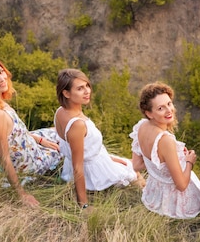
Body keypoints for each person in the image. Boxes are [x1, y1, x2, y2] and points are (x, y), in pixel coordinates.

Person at [0, 56, 62, 207]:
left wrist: (40, 140)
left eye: (1, 72)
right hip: (31, 164)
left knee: (59, 129)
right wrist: (21, 194)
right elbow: (4, 158)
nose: (1, 78)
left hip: (29, 145)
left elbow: (16, 135)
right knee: (70, 139)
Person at [54, 69, 143, 209]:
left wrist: (111, 159)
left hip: (92, 160)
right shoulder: (77, 124)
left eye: (87, 86)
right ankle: (147, 205)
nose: (87, 91)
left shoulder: (61, 111)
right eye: (80, 88)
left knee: (129, 163)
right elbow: (78, 167)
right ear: (66, 93)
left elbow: (85, 148)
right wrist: (84, 205)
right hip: (93, 173)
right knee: (136, 174)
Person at [129, 82, 200, 218]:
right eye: (160, 108)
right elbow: (181, 185)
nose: (169, 110)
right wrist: (189, 162)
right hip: (175, 203)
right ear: (149, 113)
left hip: (154, 195)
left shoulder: (141, 126)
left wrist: (168, 162)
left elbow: (137, 165)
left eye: (169, 104)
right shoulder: (166, 141)